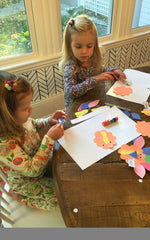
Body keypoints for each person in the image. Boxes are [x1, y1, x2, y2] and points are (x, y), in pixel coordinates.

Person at [0, 71, 67, 211]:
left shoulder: (21, 121)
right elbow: (32, 171)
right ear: (7, 117)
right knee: (60, 200)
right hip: (27, 180)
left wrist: (49, 120)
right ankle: (21, 198)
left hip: (40, 160)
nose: (30, 108)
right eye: (25, 108)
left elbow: (34, 124)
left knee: (66, 170)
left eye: (29, 103)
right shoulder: (4, 146)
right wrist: (49, 139)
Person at [61, 14, 127, 109]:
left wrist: (113, 71)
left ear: (94, 45)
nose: (84, 51)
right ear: (69, 46)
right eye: (78, 47)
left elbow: (100, 71)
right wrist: (94, 80)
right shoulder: (70, 66)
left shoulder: (91, 60)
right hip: (75, 109)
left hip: (92, 102)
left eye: (89, 46)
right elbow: (70, 92)